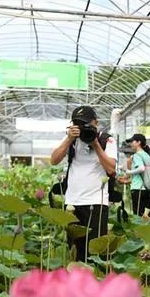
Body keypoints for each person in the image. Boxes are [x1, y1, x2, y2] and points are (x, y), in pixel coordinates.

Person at [50, 105, 117, 262]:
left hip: (96, 201)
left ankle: (96, 282)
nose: (82, 127)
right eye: (78, 123)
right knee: (75, 250)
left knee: (96, 251)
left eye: (86, 123)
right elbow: (54, 160)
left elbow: (111, 169)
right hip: (72, 202)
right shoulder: (71, 139)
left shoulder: (107, 140)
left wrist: (95, 144)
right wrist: (69, 138)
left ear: (96, 123)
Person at [123, 133, 150, 226]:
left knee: (139, 214)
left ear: (138, 142)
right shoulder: (147, 155)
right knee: (147, 212)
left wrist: (128, 172)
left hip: (138, 189)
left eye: (132, 141)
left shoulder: (137, 155)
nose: (131, 144)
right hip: (147, 188)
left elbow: (141, 168)